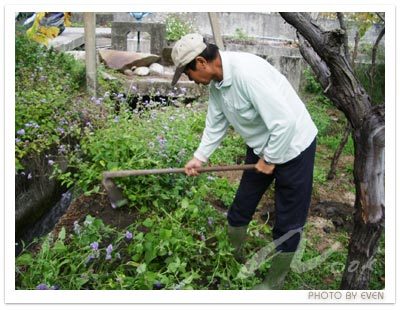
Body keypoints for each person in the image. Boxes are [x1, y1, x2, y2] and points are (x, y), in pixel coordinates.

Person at [171, 33, 318, 290]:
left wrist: (271, 159)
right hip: (263, 147)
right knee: (241, 206)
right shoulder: (217, 83)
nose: (191, 80)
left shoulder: (248, 75)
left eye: (188, 73)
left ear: (201, 62)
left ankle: (274, 282)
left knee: (287, 220)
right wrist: (200, 157)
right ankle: (232, 259)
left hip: (295, 147)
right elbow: (216, 123)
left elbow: (285, 123)